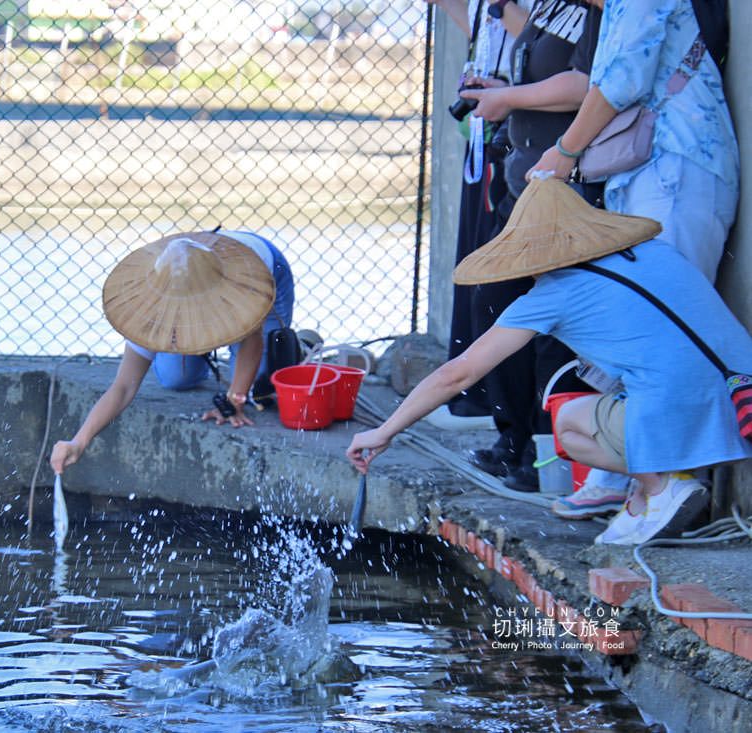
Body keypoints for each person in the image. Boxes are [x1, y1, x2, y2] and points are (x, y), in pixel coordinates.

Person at [345, 178, 752, 545]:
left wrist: (385, 431)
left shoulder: (553, 294)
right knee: (646, 385)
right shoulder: (657, 253)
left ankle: (663, 487)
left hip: (689, 415)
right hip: (741, 406)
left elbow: (459, 374)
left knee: (569, 423)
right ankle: (646, 496)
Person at [527, 0, 738, 519]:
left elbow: (622, 79)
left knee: (663, 329)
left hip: (677, 169)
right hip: (651, 172)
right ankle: (627, 473)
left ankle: (668, 486)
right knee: (638, 324)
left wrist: (564, 153)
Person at [450, 0, 603, 490]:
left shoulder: (599, 12)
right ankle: (513, 438)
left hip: (568, 192)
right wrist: (503, 91)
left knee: (551, 327)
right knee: (493, 299)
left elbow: (586, 85)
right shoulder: (549, 9)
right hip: (524, 188)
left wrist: (511, 98)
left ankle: (549, 452)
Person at [50, 230, 295, 475]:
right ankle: (201, 346)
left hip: (262, 268)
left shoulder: (242, 287)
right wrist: (79, 441)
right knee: (176, 378)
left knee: (258, 388)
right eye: (176, 309)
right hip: (192, 270)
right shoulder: (146, 310)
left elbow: (252, 342)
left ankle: (295, 346)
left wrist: (234, 399)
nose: (183, 314)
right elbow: (123, 387)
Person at [424, 0, 530, 429]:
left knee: (494, 273)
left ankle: (490, 399)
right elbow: (483, 29)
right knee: (473, 261)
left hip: (517, 137)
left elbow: (536, 37)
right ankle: (472, 391)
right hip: (484, 135)